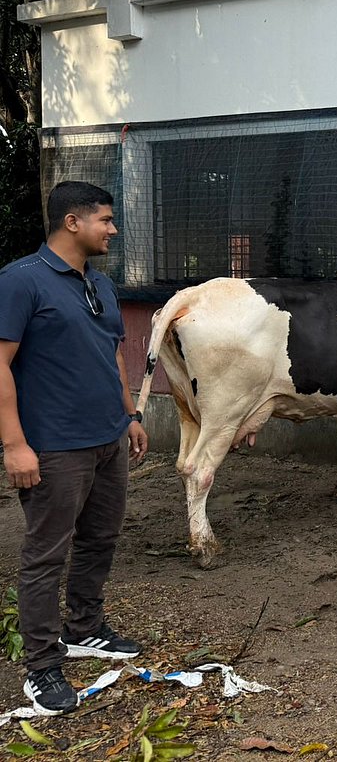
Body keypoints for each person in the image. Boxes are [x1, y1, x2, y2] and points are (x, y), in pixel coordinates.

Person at [0, 181, 149, 716]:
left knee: (100, 539)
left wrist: (128, 414)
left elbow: (113, 352)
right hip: (54, 447)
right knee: (46, 554)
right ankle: (41, 665)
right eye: (105, 220)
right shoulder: (21, 282)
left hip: (106, 438)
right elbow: (0, 364)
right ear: (72, 223)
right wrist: (15, 445)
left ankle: (85, 627)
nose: (112, 229)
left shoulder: (100, 284)